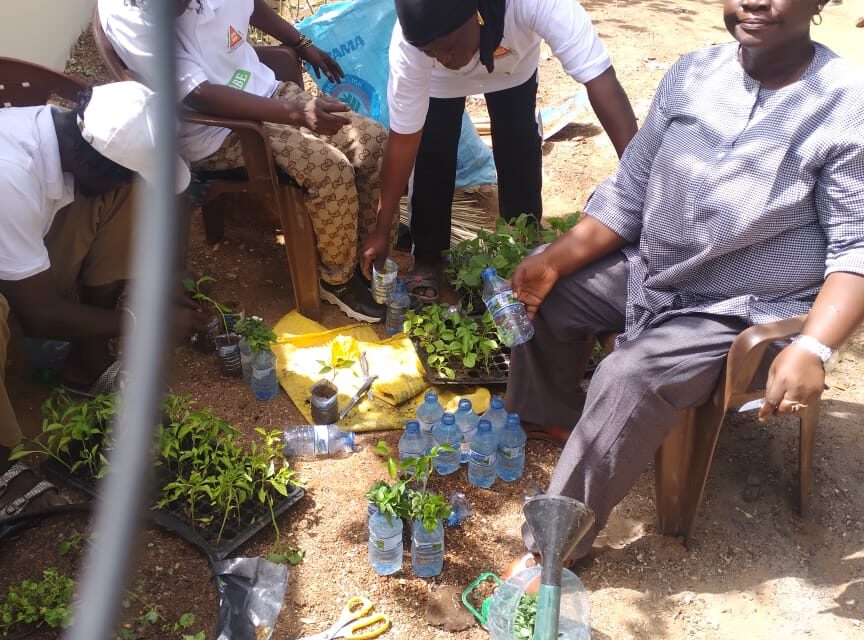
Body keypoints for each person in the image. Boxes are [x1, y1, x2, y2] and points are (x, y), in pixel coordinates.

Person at [504, 0, 864, 564]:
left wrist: (814, 346)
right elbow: (630, 191)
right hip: (657, 273)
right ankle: (560, 417)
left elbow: (855, 250)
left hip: (746, 308)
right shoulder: (694, 73)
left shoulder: (846, 104)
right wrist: (555, 259)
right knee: (546, 293)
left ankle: (554, 548)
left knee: (631, 373)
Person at [99, 0, 395, 323]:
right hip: (218, 130)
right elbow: (198, 95)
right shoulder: (126, 15)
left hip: (266, 93)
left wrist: (302, 44)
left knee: (375, 141)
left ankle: (371, 255)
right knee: (331, 169)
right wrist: (297, 114)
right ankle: (338, 279)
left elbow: (249, 4)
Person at [0, 81, 206, 523]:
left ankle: (86, 362)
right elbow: (38, 315)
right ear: (88, 156)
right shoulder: (9, 173)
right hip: (18, 296)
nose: (128, 180)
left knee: (126, 197)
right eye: (124, 170)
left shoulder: (62, 142)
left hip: (18, 252)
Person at [360, 0, 638, 303]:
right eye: (432, 52)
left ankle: (524, 244)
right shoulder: (413, 44)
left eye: (448, 46)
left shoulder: (535, 4)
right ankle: (428, 257)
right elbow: (403, 140)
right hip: (440, 85)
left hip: (513, 66)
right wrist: (381, 227)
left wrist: (641, 183)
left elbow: (601, 81)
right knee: (432, 155)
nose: (443, 57)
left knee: (519, 147)